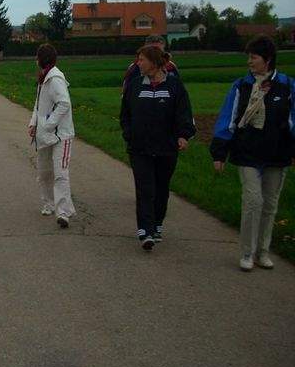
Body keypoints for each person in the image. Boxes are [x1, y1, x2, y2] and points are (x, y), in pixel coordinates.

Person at [210, 36, 294, 271]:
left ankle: (263, 252)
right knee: (253, 201)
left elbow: (292, 120)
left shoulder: (287, 86)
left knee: (270, 205)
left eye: (253, 57)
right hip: (247, 152)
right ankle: (247, 252)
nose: (249, 61)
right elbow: (228, 118)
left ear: (267, 60)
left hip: (277, 154)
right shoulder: (241, 86)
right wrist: (219, 152)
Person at [120, 45, 195, 251]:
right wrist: (129, 134)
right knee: (145, 189)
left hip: (166, 148)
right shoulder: (135, 86)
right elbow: (125, 114)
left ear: (154, 62)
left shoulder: (174, 86)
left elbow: (184, 113)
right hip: (139, 148)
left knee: (161, 189)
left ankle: (157, 224)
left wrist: (183, 135)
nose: (138, 63)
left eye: (142, 60)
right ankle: (145, 230)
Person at [28, 44, 76, 228]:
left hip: (61, 135)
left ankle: (63, 212)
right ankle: (48, 203)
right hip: (45, 136)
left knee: (60, 173)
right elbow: (38, 104)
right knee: (44, 172)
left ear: (42, 59)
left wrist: (48, 125)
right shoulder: (44, 78)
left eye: (37, 56)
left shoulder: (55, 78)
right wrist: (34, 123)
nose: (35, 60)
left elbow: (64, 103)